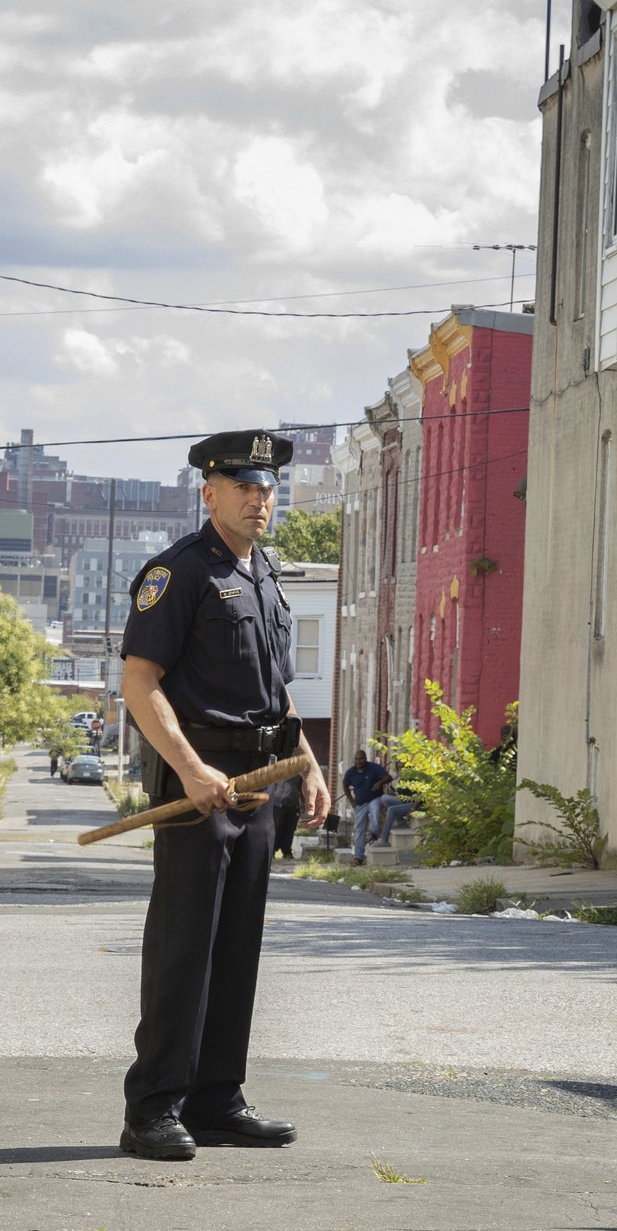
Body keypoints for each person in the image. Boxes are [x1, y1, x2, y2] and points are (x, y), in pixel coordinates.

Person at [114, 429, 332, 1162]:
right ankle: (153, 1109)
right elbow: (139, 682)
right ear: (209, 492)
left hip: (262, 788)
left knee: (237, 951)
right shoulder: (178, 574)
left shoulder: (266, 575)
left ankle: (215, 1101)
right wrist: (191, 770)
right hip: (201, 787)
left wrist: (308, 766)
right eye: (242, 486)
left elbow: (276, 694)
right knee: (184, 950)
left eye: (266, 487)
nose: (257, 498)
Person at [340, 747, 394, 864]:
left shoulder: (374, 768)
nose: (359, 761)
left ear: (365, 758)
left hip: (375, 798)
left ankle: (372, 834)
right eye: (356, 759)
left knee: (374, 811)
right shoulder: (351, 772)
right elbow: (345, 785)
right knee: (359, 829)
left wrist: (379, 783)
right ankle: (358, 857)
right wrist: (352, 801)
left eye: (361, 759)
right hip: (359, 803)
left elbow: (389, 777)